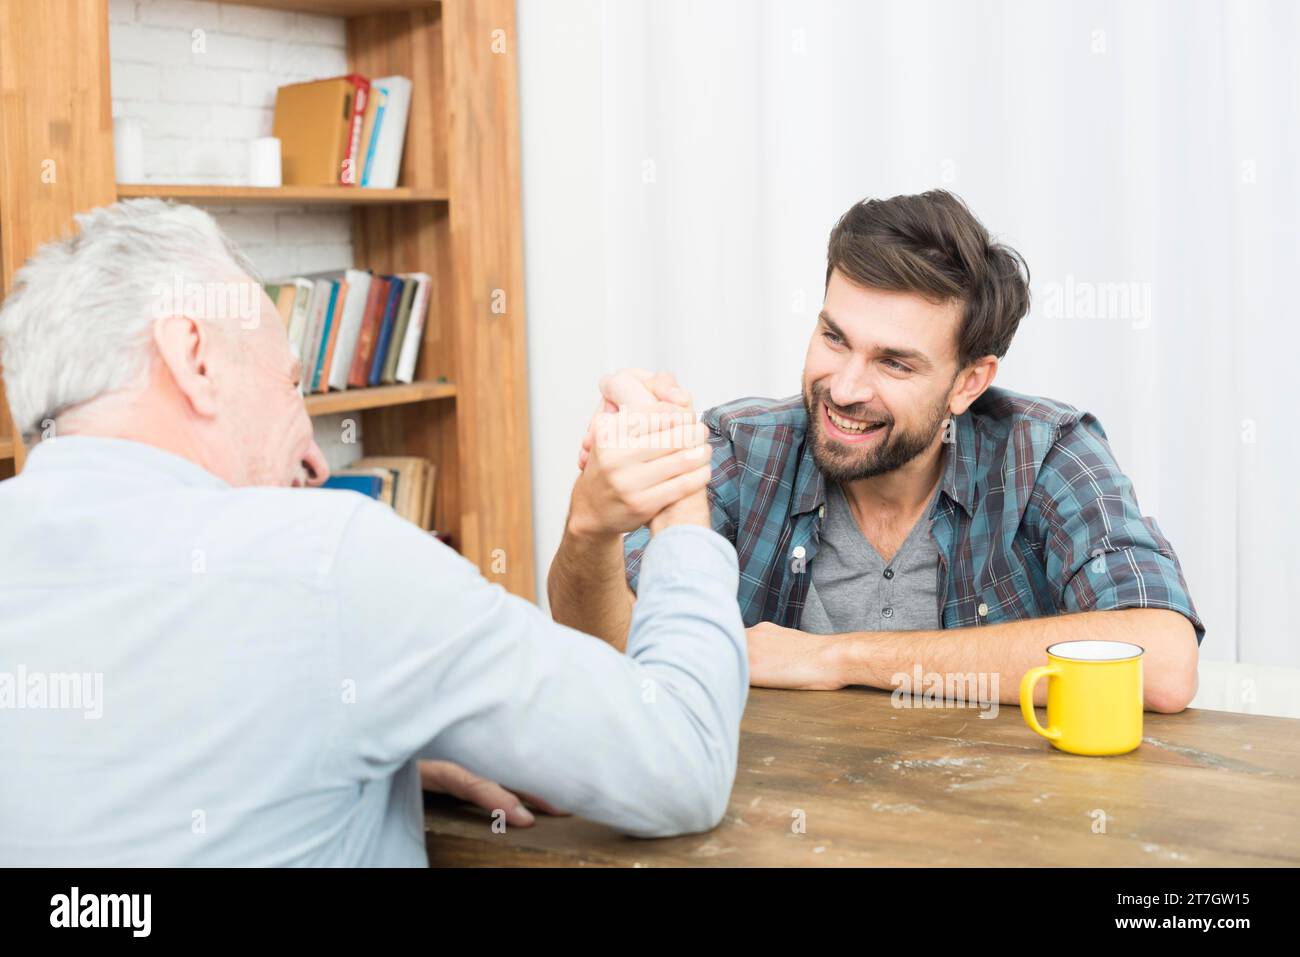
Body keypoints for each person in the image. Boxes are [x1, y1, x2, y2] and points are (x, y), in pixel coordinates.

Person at [0, 199, 745, 865]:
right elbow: (685, 761)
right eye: (292, 386)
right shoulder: (327, 560)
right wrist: (679, 492)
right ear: (193, 357)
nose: (315, 458)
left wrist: (375, 741)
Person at [549, 190, 1203, 713]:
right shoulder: (743, 448)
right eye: (835, 337)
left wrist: (835, 657)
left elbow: (1164, 663)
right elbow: (615, 650)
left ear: (968, 383)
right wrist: (589, 526)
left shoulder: (1044, 451)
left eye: (894, 362)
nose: (845, 387)